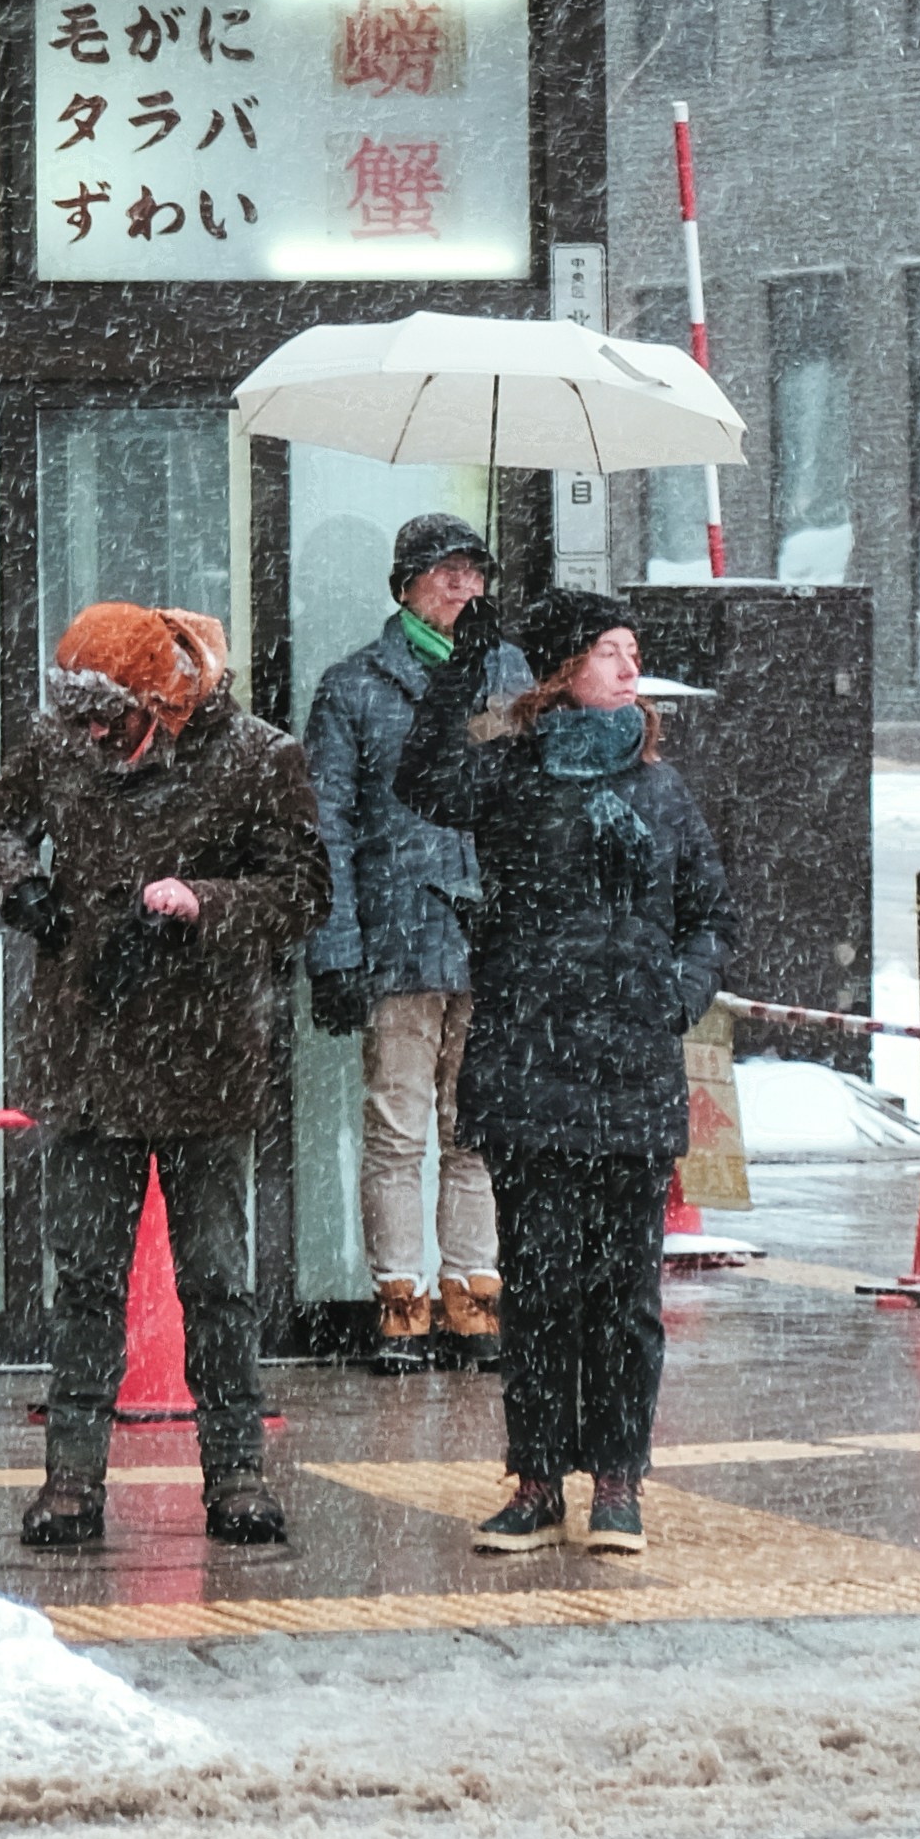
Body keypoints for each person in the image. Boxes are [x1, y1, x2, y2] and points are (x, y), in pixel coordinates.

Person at [0, 602, 326, 1558]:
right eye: (79, 719)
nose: (92, 737)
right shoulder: (64, 741)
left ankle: (239, 1474)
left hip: (202, 1051)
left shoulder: (255, 756)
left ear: (159, 701)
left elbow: (304, 891)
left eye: (110, 720)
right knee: (84, 1276)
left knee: (216, 1278)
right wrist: (23, 885)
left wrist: (200, 901)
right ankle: (71, 1481)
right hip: (86, 1050)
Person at [395, 584, 724, 1565]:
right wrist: (463, 664)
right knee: (536, 1289)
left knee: (623, 1293)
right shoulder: (511, 774)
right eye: (609, 651)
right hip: (531, 1071)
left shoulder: (665, 792)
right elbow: (424, 779)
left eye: (633, 652)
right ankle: (535, 1481)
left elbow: (712, 916)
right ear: (563, 672)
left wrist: (678, 990)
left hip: (631, 1075)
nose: (630, 666)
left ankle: (618, 1481)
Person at [303, 512, 526, 1373]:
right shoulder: (355, 687)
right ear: (405, 587)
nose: (465, 589)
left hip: (491, 937)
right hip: (400, 939)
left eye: (474, 574)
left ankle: (474, 1297)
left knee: (473, 1131)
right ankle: (400, 1304)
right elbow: (329, 830)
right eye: (447, 574)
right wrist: (336, 950)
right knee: (397, 1131)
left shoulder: (509, 676)